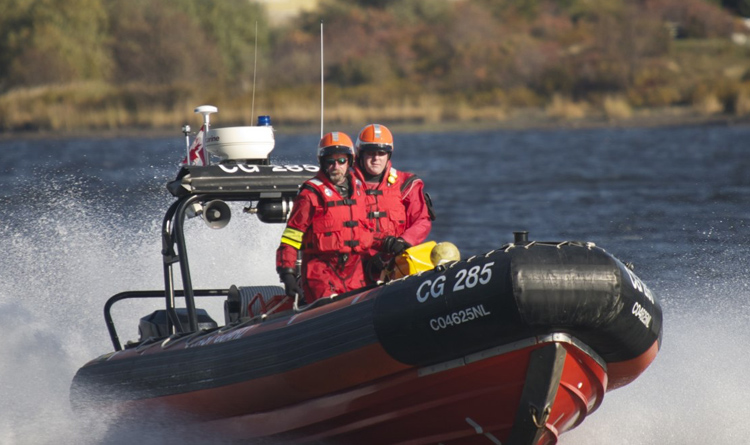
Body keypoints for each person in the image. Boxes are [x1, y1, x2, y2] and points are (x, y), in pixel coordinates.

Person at [276, 132, 373, 303]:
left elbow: (367, 229)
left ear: (349, 161)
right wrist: (287, 274)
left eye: (341, 161)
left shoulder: (360, 189)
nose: (336, 166)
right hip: (321, 271)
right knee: (329, 309)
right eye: (330, 161)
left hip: (354, 270)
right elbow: (291, 237)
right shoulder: (310, 195)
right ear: (322, 163)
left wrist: (389, 244)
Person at [353, 123, 433, 282]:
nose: (376, 158)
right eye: (370, 153)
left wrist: (403, 242)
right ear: (360, 154)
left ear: (388, 154)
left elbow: (422, 220)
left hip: (397, 266)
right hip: (357, 269)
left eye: (381, 153)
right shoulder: (345, 186)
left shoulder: (406, 184)